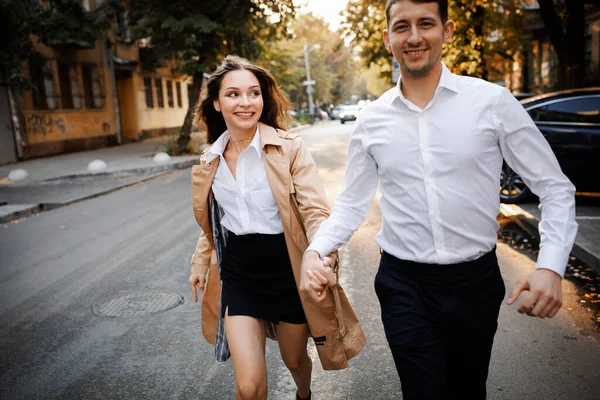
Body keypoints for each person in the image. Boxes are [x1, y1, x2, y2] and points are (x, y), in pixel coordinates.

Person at [299, 1, 578, 399]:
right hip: (403, 285)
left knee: (467, 390)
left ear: (446, 31)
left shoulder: (491, 103)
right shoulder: (371, 120)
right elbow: (350, 205)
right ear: (387, 38)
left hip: (474, 283)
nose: (413, 37)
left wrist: (551, 266)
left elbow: (554, 186)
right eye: (402, 27)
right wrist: (316, 250)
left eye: (425, 24)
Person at [188, 55, 364, 400]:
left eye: (254, 93)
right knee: (249, 386)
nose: (245, 102)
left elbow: (314, 210)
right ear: (217, 102)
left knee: (295, 359)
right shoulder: (210, 159)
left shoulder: (289, 148)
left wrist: (320, 254)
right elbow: (214, 221)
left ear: (263, 99)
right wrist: (199, 262)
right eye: (234, 94)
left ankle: (304, 394)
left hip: (288, 271)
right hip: (239, 276)